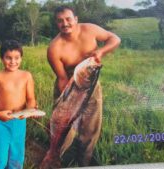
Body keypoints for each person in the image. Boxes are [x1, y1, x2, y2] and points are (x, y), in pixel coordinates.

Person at [46, 5, 120, 166]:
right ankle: (56, 157)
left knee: (90, 127)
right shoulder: (54, 48)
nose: (65, 23)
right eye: (60, 21)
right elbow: (62, 78)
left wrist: (101, 52)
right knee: (64, 129)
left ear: (76, 19)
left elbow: (115, 39)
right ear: (56, 24)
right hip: (68, 86)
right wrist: (65, 105)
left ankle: (84, 161)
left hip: (91, 83)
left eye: (68, 19)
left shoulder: (90, 29)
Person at [0, 40, 37, 169]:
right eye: (8, 58)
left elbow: (31, 99)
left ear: (21, 58)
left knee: (17, 154)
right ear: (2, 58)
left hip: (19, 121)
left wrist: (30, 110)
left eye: (16, 58)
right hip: (1, 121)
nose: (13, 62)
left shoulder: (26, 76)